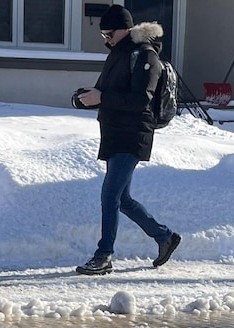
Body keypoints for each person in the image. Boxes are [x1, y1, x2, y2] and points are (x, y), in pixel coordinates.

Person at [71, 4, 180, 276]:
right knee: (124, 199)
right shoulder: (119, 54)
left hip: (133, 135)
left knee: (110, 195)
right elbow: (107, 92)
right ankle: (165, 237)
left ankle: (103, 255)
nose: (106, 39)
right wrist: (87, 97)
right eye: (103, 35)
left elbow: (140, 99)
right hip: (114, 132)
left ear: (124, 29)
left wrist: (102, 97)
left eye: (108, 33)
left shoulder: (145, 55)